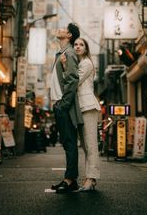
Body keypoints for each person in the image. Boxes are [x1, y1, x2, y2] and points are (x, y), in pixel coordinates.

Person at [62, 37, 101, 191]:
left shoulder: (86, 63)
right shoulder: (79, 63)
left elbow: (74, 81)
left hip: (89, 107)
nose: (78, 47)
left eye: (81, 45)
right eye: (76, 44)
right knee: (85, 145)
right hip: (80, 108)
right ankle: (91, 178)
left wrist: (65, 66)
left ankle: (91, 178)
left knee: (90, 144)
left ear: (86, 49)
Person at [50, 23, 83, 194]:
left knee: (69, 143)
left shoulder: (69, 53)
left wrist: (63, 104)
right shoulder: (62, 53)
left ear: (69, 35)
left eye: (63, 28)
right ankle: (69, 179)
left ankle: (70, 180)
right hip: (60, 104)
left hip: (65, 106)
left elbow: (72, 80)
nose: (59, 29)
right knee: (67, 143)